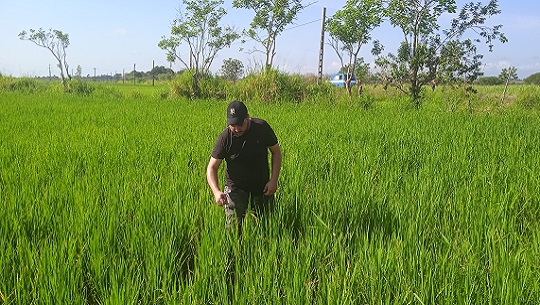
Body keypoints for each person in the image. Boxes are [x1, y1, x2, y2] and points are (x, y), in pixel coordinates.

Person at [206, 100, 282, 235]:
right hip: (236, 189)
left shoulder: (262, 128)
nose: (236, 129)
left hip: (262, 187)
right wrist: (216, 191)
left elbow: (276, 152)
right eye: (232, 125)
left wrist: (274, 180)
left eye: (240, 124)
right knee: (233, 232)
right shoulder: (225, 138)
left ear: (248, 117)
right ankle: (235, 254)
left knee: (267, 228)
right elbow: (212, 167)